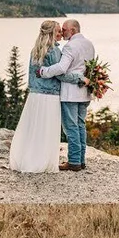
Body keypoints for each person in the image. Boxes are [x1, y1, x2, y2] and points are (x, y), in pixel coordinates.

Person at [8, 20, 84, 173]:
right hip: (49, 96)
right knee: (46, 131)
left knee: (33, 129)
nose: (61, 33)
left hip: (34, 96)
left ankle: (27, 160)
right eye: (58, 31)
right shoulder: (54, 51)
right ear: (51, 33)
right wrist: (80, 78)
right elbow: (61, 75)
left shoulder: (36, 49)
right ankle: (41, 162)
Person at [38, 18, 96, 170]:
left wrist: (44, 71)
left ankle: (74, 161)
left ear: (73, 30)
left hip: (71, 92)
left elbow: (62, 68)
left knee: (71, 128)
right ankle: (81, 160)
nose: (62, 32)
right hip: (85, 92)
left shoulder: (70, 46)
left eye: (64, 30)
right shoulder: (89, 44)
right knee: (80, 126)